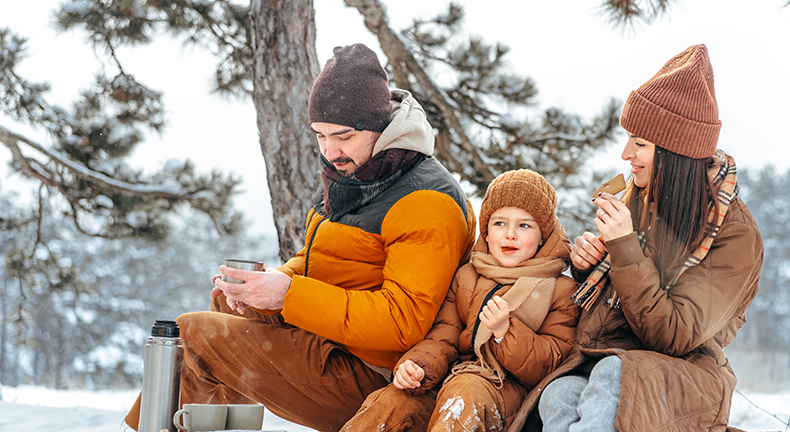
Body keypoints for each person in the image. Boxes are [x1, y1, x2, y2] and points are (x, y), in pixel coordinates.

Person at [123, 43, 477, 432]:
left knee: (194, 335)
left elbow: (402, 321)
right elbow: (324, 259)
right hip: (335, 345)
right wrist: (266, 284)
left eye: (342, 135)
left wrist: (287, 295)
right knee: (225, 301)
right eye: (320, 136)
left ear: (380, 126)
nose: (330, 151)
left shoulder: (425, 201)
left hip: (382, 376)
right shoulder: (359, 172)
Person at [507, 44, 762, 432]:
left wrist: (624, 248)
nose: (626, 153)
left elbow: (676, 335)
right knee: (558, 394)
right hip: (611, 353)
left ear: (676, 151)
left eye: (640, 143)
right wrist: (587, 266)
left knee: (615, 376)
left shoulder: (735, 233)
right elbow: (618, 295)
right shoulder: (640, 197)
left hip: (688, 373)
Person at [341, 169, 581, 431]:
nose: (510, 234)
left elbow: (550, 363)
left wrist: (505, 331)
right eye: (499, 223)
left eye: (524, 225)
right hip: (448, 379)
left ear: (543, 236)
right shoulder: (467, 275)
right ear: (486, 233)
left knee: (465, 392)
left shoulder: (560, 290)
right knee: (393, 401)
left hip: (503, 394)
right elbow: (444, 335)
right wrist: (420, 365)